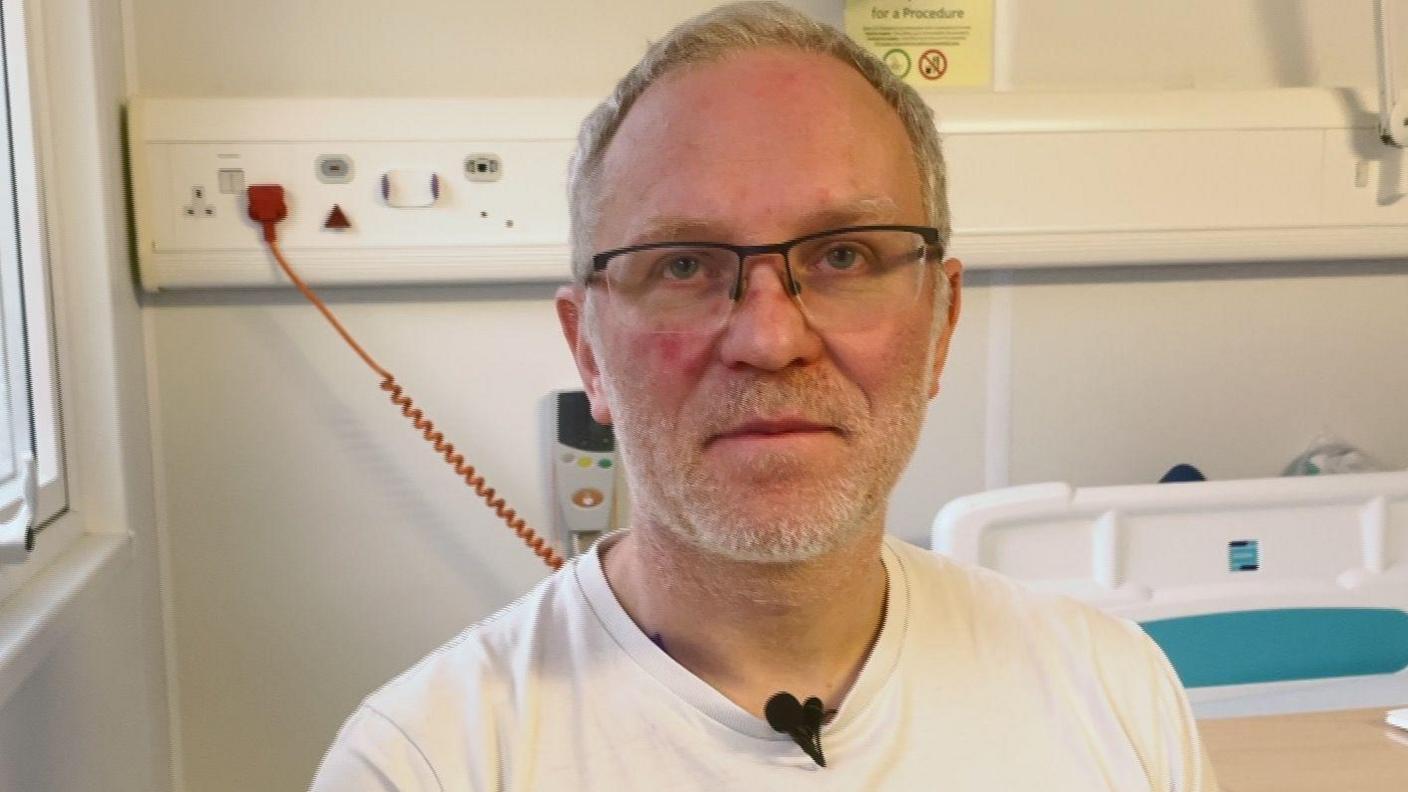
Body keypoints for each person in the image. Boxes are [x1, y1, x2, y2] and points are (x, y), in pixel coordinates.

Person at [311, 3, 1218, 789]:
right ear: (588, 350)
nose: (770, 339)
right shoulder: (428, 764)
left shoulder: (1116, 697)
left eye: (843, 256)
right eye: (683, 265)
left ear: (941, 325)